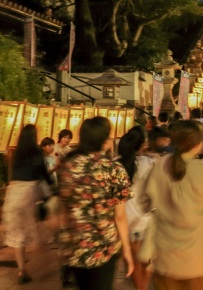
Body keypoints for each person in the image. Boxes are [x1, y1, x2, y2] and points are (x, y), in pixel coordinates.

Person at [139, 120, 203, 290]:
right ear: (197, 144)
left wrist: (161, 207)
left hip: (165, 256)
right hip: (198, 256)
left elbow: (144, 202)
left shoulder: (159, 166)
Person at [58, 117, 134, 290]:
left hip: (76, 245)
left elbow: (64, 208)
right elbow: (120, 216)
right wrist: (127, 250)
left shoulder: (69, 166)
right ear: (105, 141)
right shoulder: (114, 169)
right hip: (103, 246)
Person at [2, 124, 53, 285]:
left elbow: (9, 173)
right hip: (29, 192)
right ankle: (46, 261)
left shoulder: (16, 152)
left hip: (12, 192)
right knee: (37, 229)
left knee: (18, 235)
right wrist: (52, 190)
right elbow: (44, 175)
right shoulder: (37, 153)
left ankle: (21, 269)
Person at [117, 126, 154, 290]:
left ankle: (140, 287)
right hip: (146, 220)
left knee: (133, 262)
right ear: (142, 144)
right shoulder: (148, 163)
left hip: (124, 221)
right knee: (148, 261)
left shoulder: (115, 164)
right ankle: (143, 286)